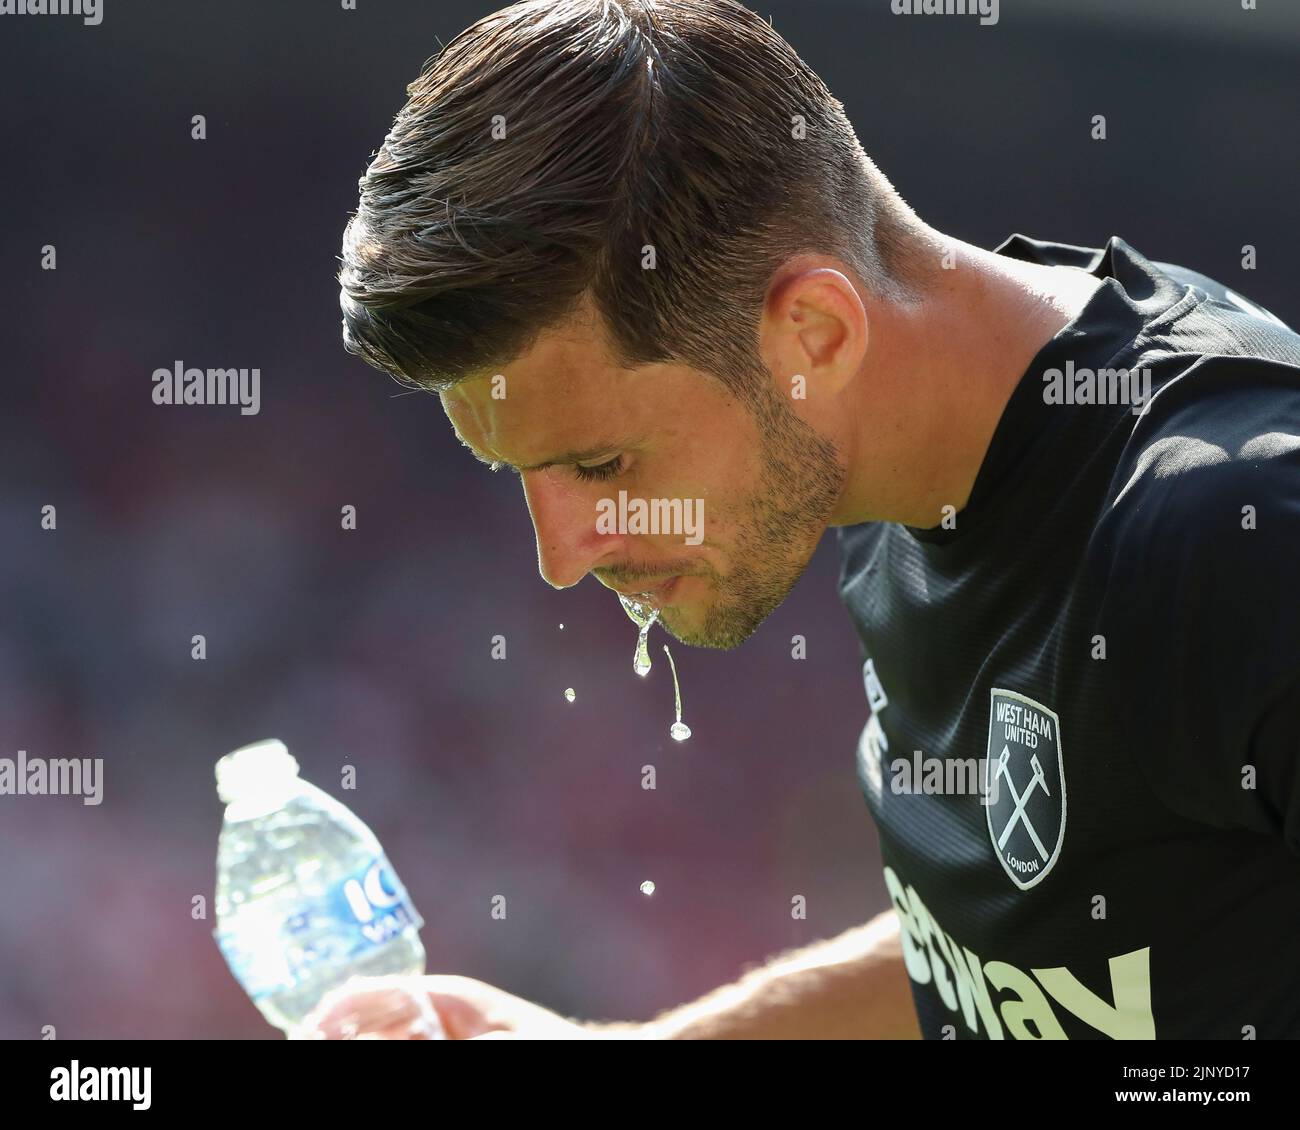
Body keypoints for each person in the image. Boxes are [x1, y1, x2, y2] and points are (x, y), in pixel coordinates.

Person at [319, 0, 1300, 1039]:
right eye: (516, 472)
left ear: (814, 334)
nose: (562, 554)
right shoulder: (881, 465)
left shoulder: (1232, 534)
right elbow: (1055, 944)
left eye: (601, 463)